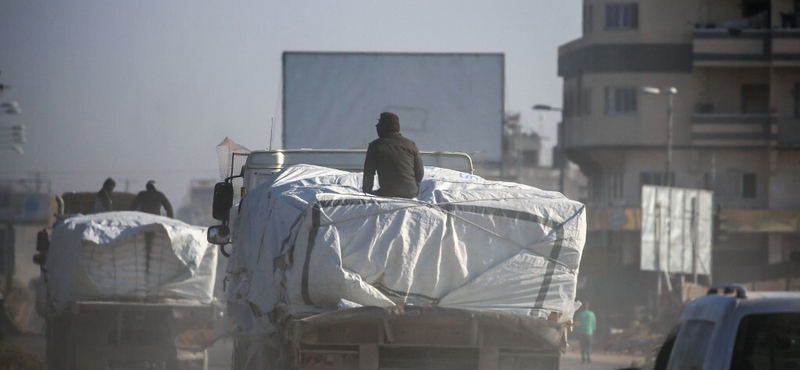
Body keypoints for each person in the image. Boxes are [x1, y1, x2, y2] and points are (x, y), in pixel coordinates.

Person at [362, 112, 424, 198]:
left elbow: (368, 174)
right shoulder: (411, 144)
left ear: (383, 127)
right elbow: (420, 174)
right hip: (411, 193)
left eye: (379, 124)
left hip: (388, 193)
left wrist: (366, 195)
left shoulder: (376, 146)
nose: (376, 126)